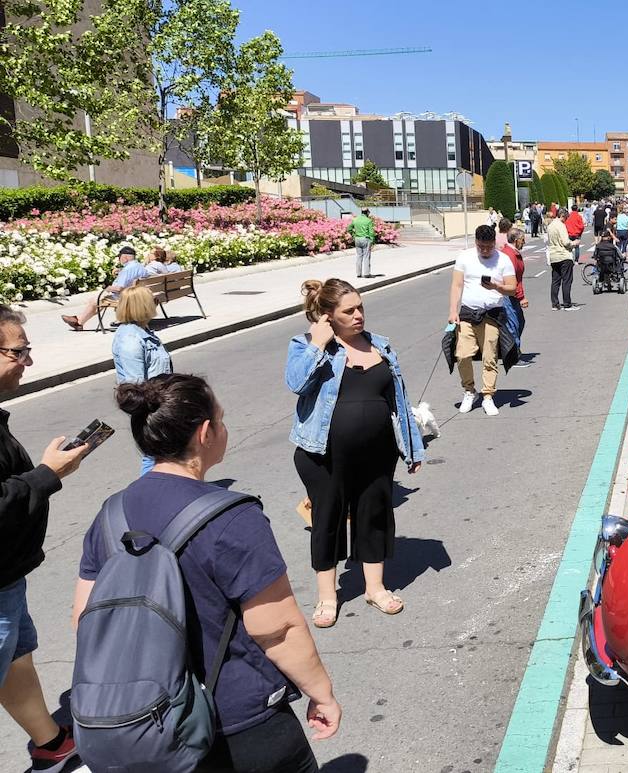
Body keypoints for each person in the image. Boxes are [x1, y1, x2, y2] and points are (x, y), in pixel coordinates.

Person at [76, 373, 341, 770]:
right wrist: (321, 693)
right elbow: (277, 628)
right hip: (240, 722)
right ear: (205, 433)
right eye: (221, 419)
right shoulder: (233, 516)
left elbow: (85, 618)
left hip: (157, 728)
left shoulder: (111, 515)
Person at [287, 279, 425, 629]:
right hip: (324, 455)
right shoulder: (306, 345)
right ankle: (328, 596)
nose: (358, 315)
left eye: (360, 307)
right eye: (348, 311)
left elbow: (399, 401)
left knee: (375, 514)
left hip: (378, 453)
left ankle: (375, 588)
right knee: (327, 519)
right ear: (327, 316)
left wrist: (412, 446)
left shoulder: (381, 345)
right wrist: (318, 345)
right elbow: (296, 384)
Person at [0, 305, 86, 770]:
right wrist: (47, 474)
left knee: (15, 660)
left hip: (8, 576)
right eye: (19, 351)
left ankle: (51, 742)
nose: (28, 361)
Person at [448, 225, 519, 415]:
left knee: (490, 356)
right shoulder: (464, 257)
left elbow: (512, 288)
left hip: (492, 314)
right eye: (481, 247)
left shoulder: (502, 259)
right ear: (476, 243)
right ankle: (469, 391)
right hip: (467, 313)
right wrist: (452, 311)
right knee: (462, 354)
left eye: (488, 247)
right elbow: (456, 285)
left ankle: (488, 395)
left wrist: (496, 286)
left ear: (494, 243)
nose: (485, 251)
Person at [112, 285, 173, 476]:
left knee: (163, 453)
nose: (155, 303)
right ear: (142, 306)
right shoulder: (131, 339)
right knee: (154, 454)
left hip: (158, 402)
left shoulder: (141, 331)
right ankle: (149, 496)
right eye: (151, 300)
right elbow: (135, 384)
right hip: (150, 407)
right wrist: (154, 407)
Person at [63, 245, 149, 331]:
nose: (119, 260)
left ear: (125, 257)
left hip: (126, 298)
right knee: (98, 302)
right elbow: (132, 277)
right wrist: (120, 272)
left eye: (120, 257)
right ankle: (78, 321)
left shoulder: (127, 270)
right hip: (139, 296)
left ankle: (79, 321)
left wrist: (107, 288)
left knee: (94, 301)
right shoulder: (140, 266)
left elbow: (119, 289)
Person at [546, 210, 577, 311]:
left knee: (555, 281)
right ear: (562, 216)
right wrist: (574, 243)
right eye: (566, 218)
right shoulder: (561, 225)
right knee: (567, 280)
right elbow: (565, 242)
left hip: (554, 255)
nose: (566, 220)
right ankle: (567, 303)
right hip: (563, 255)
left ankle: (555, 304)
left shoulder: (550, 226)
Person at [501, 227, 530, 335]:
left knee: (519, 322)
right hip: (509, 295)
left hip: (512, 293)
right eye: (522, 240)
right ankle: (514, 351)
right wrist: (521, 297)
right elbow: (512, 279)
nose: (524, 242)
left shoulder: (511, 252)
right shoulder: (510, 255)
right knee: (513, 326)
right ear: (516, 240)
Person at [349, 208, 376, 279]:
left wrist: (353, 235)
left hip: (357, 239)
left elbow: (349, 228)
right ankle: (367, 273)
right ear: (367, 212)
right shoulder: (368, 221)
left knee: (359, 256)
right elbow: (371, 232)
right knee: (366, 256)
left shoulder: (355, 219)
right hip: (365, 239)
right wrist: (372, 241)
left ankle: (358, 273)